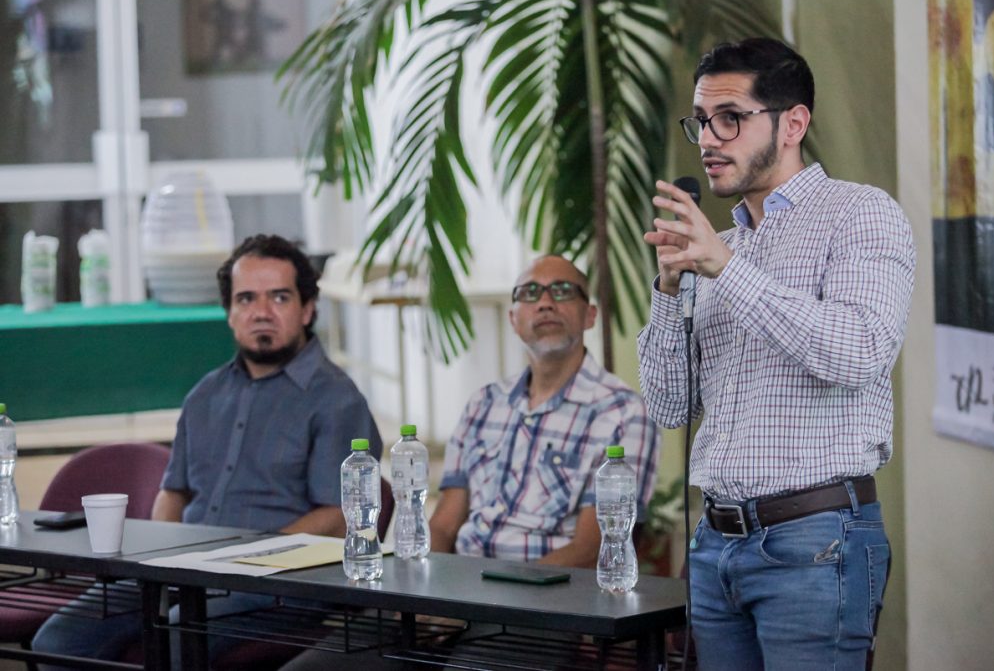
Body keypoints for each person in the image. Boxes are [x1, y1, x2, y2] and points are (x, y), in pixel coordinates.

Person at [637, 37, 916, 671]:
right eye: (701, 120)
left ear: (793, 124)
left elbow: (859, 351)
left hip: (815, 541)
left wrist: (725, 270)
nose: (709, 139)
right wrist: (669, 289)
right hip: (715, 545)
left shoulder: (860, 215)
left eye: (730, 118)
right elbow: (671, 406)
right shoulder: (722, 246)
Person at [281, 254, 661, 670]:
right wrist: (426, 595)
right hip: (459, 590)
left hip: (547, 606)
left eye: (562, 291)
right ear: (514, 319)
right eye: (530, 293)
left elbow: (590, 550)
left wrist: (478, 600)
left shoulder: (622, 413)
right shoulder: (484, 403)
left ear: (589, 315)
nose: (545, 302)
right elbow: (444, 524)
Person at [33, 234, 384, 669]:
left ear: (308, 309)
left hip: (282, 582)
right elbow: (173, 494)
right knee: (57, 639)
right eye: (246, 299)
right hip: (184, 569)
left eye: (279, 297)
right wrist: (157, 562)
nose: (261, 312)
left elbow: (338, 517)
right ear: (230, 312)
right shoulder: (205, 394)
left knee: (176, 639)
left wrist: (251, 559)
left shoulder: (336, 400)